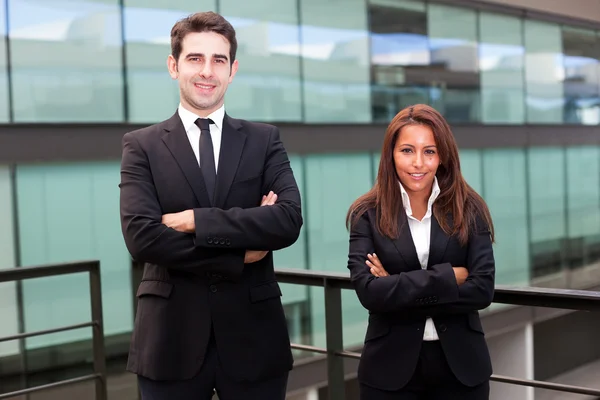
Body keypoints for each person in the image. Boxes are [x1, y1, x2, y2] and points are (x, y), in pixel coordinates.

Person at [118, 11, 302, 400]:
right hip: (170, 341)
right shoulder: (141, 146)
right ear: (174, 65)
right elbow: (143, 238)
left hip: (255, 339)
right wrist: (240, 252)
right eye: (195, 58)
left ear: (232, 70)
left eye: (218, 60)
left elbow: (286, 220)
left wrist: (195, 221)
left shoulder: (264, 140)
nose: (207, 71)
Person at [346, 104, 495, 399]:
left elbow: (482, 290)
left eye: (429, 151)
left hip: (461, 370)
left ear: (442, 157)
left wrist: (397, 284)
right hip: (389, 371)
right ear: (391, 154)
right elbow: (369, 292)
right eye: (406, 151)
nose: (418, 163)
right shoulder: (366, 214)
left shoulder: (470, 208)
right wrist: (450, 277)